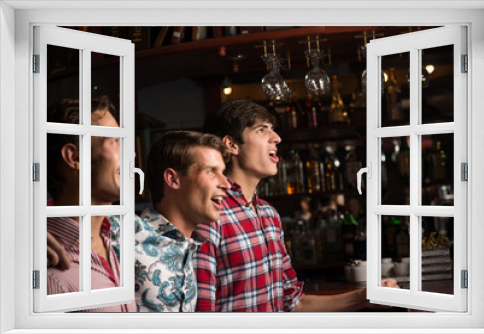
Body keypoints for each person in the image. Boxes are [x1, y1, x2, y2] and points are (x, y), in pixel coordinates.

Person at [193, 100, 399, 312]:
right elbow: (202, 315)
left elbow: (292, 302)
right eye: (261, 130)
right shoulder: (209, 214)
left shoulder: (268, 214)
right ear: (232, 145)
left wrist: (366, 297)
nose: (277, 138)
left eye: (272, 129)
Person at [46, 96, 136, 312]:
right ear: (74, 157)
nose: (132, 153)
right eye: (115, 140)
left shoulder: (109, 241)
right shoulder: (44, 267)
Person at [126, 131, 230, 312]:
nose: (226, 184)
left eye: (222, 172)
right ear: (173, 179)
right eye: (211, 171)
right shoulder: (126, 237)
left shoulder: (190, 246)